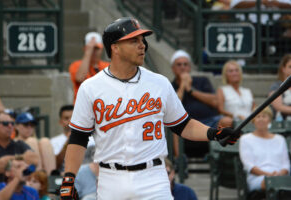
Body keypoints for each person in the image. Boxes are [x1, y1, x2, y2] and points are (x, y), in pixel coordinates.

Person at [59, 17, 240, 200]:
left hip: (153, 177)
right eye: (134, 40)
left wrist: (214, 134)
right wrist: (68, 180)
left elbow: (183, 125)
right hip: (110, 179)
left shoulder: (159, 83)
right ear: (115, 47)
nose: (142, 45)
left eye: (142, 40)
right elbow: (79, 137)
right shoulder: (91, 87)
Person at [171, 50, 231, 157]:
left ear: (189, 67)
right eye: (179, 64)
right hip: (186, 124)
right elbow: (173, 106)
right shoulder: (170, 85)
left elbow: (215, 101)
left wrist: (191, 90)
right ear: (173, 68)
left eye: (185, 64)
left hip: (210, 121)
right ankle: (179, 161)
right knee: (173, 127)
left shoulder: (202, 80)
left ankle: (222, 159)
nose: (182, 67)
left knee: (226, 121)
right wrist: (182, 86)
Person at [239, 107, 290, 193]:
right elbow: (249, 166)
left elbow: (286, 165)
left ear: (270, 120)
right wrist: (269, 176)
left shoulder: (280, 139)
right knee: (270, 183)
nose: (261, 119)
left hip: (280, 176)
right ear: (253, 120)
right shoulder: (245, 139)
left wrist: (279, 175)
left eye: (264, 116)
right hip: (258, 178)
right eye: (258, 116)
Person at [0, 112, 39, 183]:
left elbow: (34, 160)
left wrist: (4, 161)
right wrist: (20, 160)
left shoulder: (19, 144)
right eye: (5, 123)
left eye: (12, 123)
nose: (10, 126)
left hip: (19, 187)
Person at [50, 105, 95, 173]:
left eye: (73, 117)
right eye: (66, 118)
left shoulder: (92, 139)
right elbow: (55, 166)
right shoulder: (53, 142)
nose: (70, 120)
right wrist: (68, 142)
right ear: (60, 122)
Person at [69, 32, 110, 102]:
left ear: (102, 49)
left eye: (96, 48)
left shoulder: (107, 66)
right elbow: (79, 78)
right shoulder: (76, 65)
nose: (93, 51)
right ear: (85, 49)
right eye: (91, 48)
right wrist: (88, 51)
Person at [216, 60, 255, 127]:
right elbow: (221, 110)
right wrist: (236, 116)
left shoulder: (247, 91)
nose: (234, 73)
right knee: (225, 121)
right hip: (232, 122)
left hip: (250, 121)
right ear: (225, 75)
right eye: (231, 71)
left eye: (237, 70)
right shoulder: (222, 90)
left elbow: (254, 108)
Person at [269, 54, 291, 120]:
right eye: (290, 67)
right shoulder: (276, 86)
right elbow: (278, 106)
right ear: (283, 69)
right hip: (282, 124)